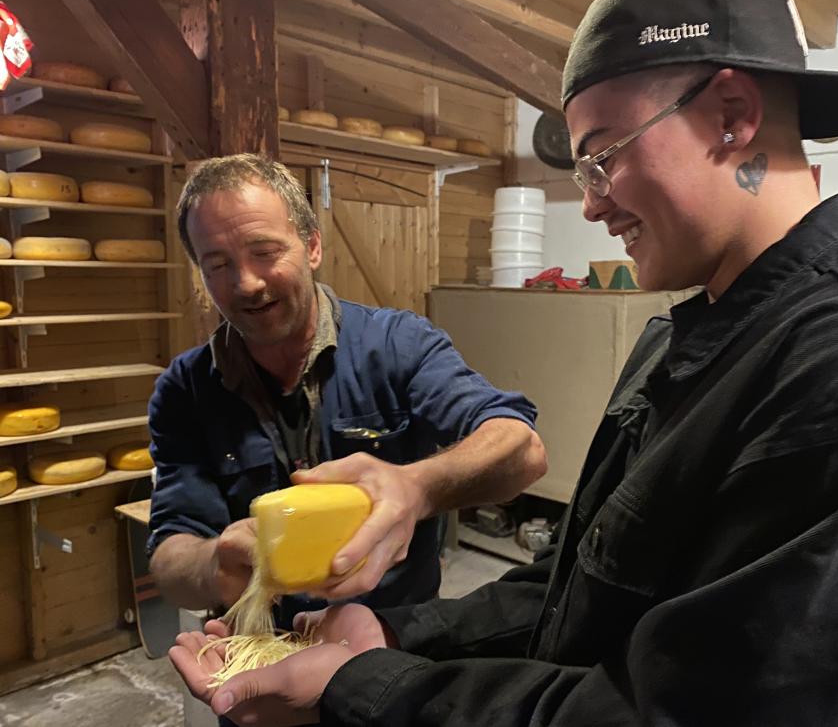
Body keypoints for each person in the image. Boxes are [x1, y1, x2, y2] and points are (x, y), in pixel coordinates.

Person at [171, 0, 838, 724]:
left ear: (733, 116)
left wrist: (363, 688)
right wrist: (389, 630)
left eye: (603, 155)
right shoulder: (682, 341)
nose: (594, 205)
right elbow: (582, 593)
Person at [147, 153, 547, 627]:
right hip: (264, 646)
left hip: (396, 644)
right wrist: (214, 562)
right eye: (218, 265)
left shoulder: (397, 343)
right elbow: (170, 557)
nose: (247, 282)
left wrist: (416, 488)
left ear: (312, 246)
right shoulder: (185, 389)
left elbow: (523, 450)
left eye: (265, 251)